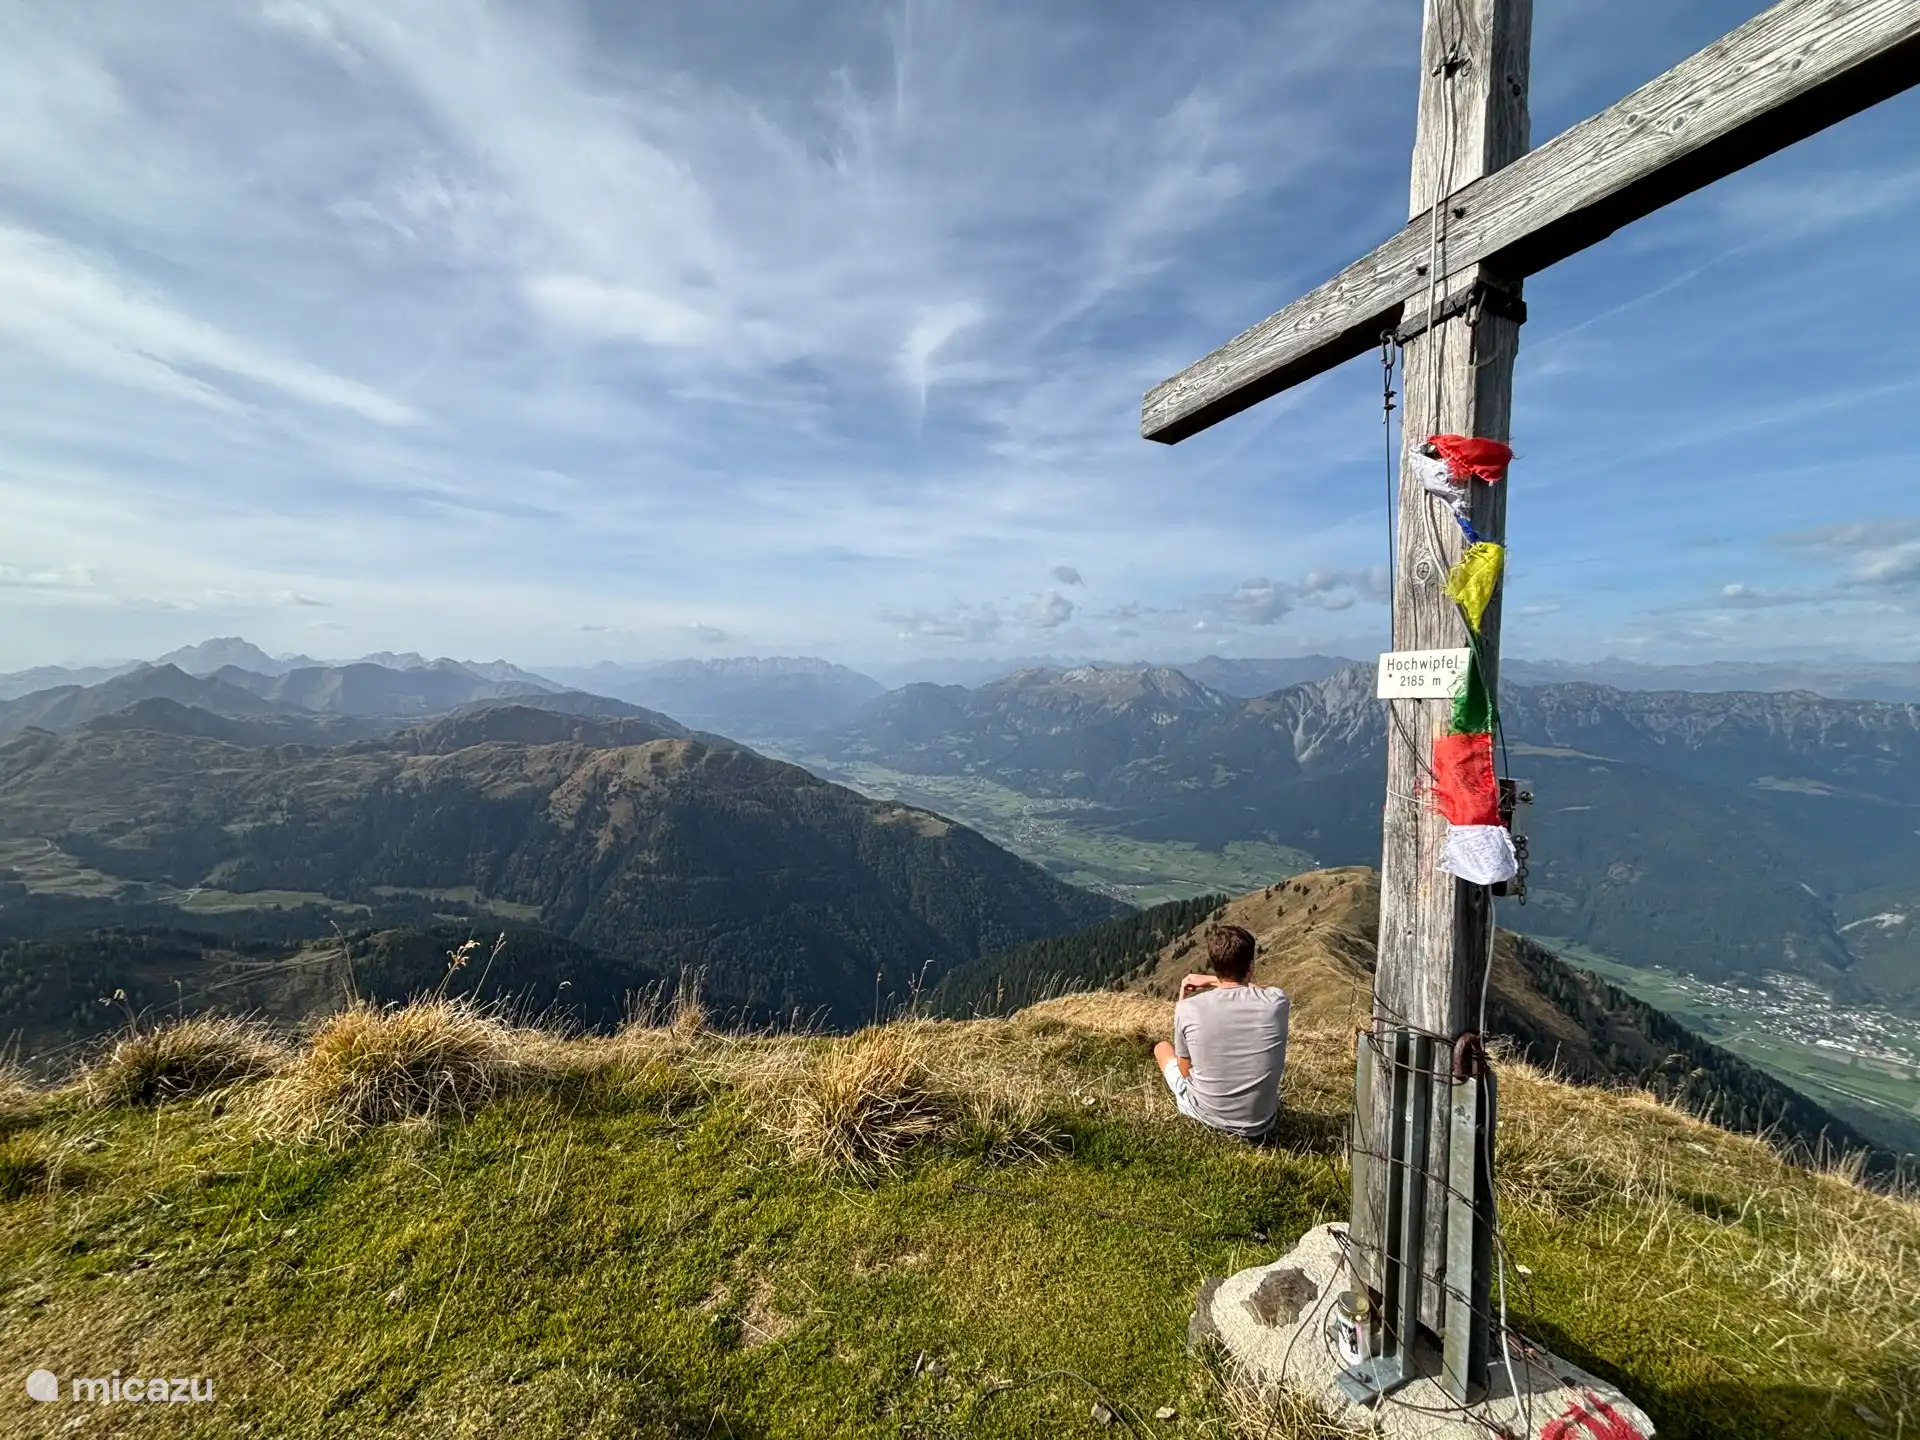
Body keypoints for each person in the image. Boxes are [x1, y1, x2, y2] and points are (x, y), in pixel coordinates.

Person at [1152, 923, 1290, 1142]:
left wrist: (1206, 981)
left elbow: (1185, 1071)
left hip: (1206, 1115)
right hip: (1262, 1121)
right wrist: (1211, 980)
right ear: (1251, 966)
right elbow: (1254, 988)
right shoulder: (1276, 1002)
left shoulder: (1188, 1008)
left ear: (1214, 963)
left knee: (1162, 1048)